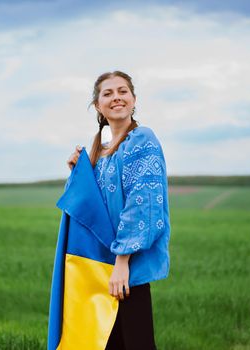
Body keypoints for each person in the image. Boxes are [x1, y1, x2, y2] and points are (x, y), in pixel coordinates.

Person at [66, 70, 171, 350]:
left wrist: (122, 262)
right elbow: (91, 211)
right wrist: (79, 173)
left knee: (136, 343)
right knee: (105, 344)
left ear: (134, 100)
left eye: (123, 91)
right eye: (108, 93)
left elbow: (143, 204)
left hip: (126, 271)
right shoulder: (99, 151)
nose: (117, 97)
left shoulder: (142, 140)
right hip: (100, 269)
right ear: (98, 106)